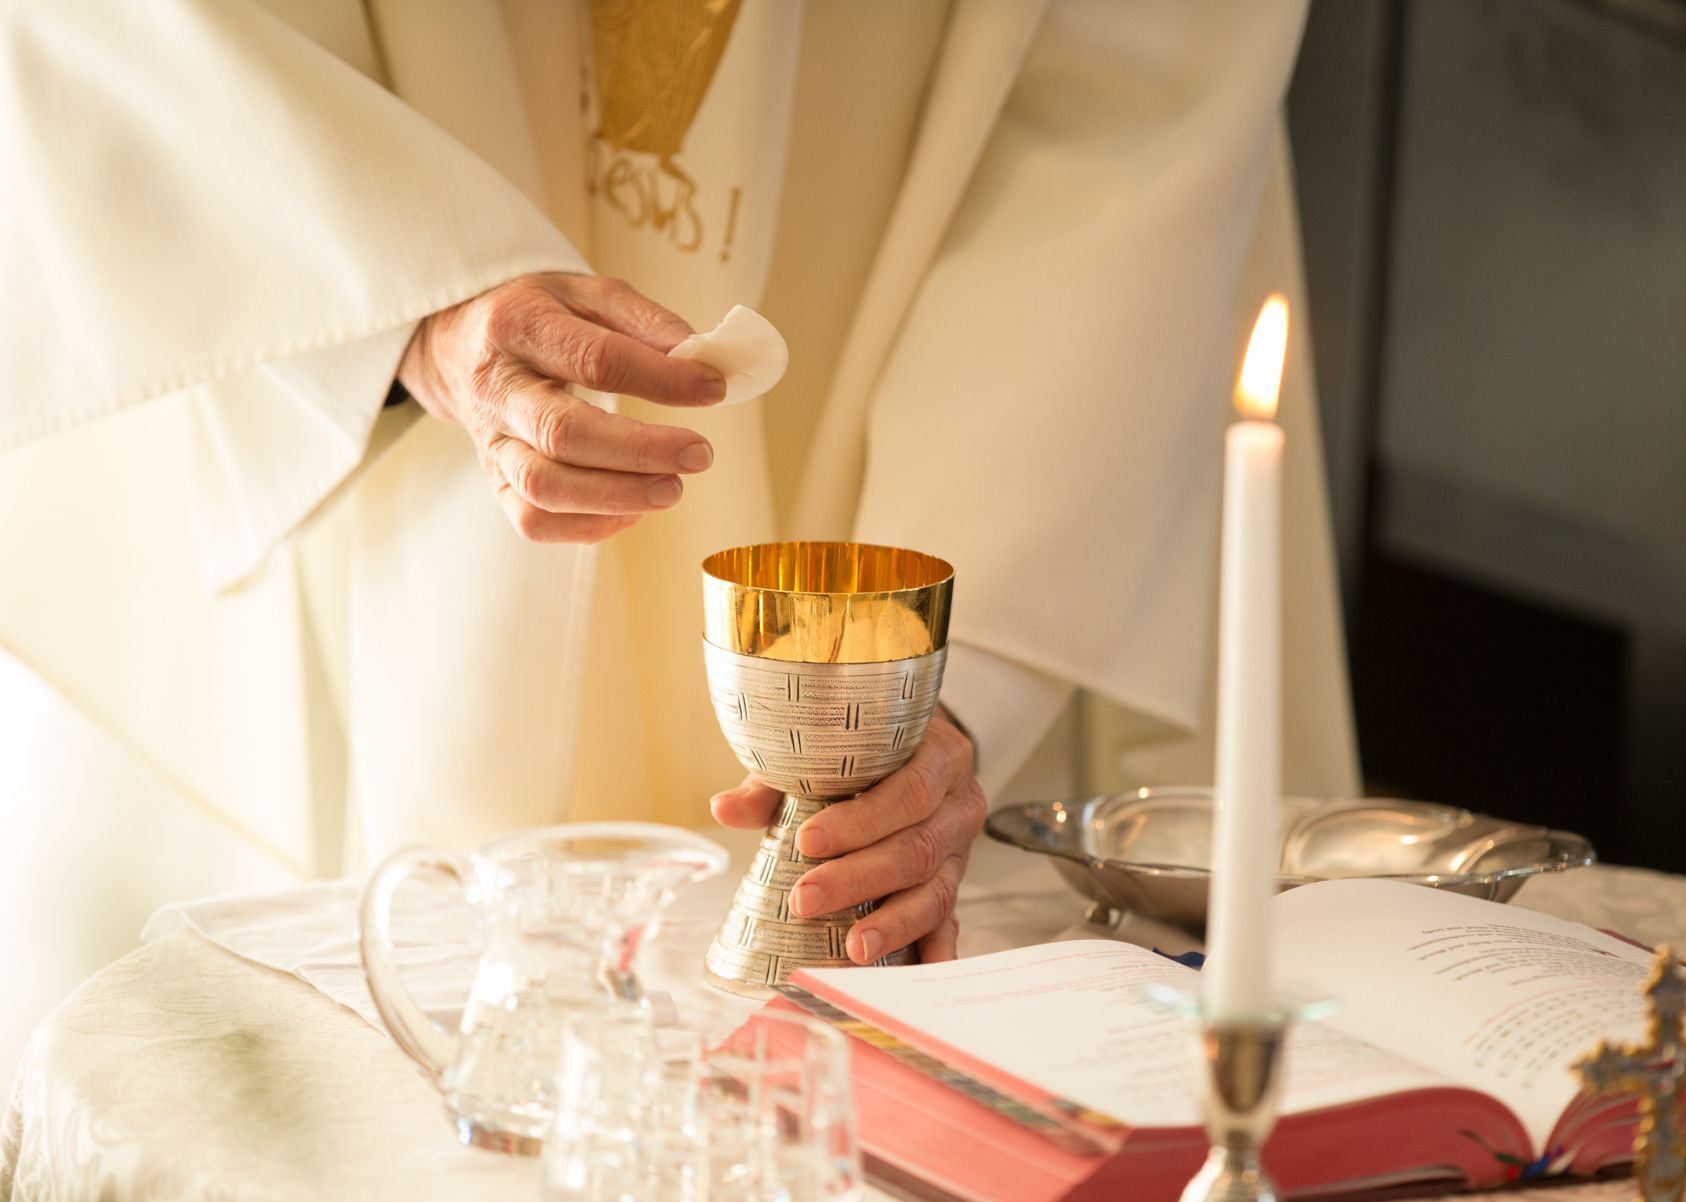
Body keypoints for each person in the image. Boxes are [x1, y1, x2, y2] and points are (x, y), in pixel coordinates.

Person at [0, 0, 1356, 1068]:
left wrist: (946, 688)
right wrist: (398, 293)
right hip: (369, 298)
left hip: (932, 326)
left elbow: (1131, 111)